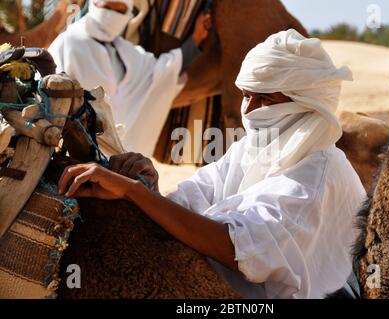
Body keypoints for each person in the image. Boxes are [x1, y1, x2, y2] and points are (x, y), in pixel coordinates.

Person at [58, 29, 366, 299]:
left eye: (266, 100)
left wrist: (136, 193)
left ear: (306, 103)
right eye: (247, 96)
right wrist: (146, 182)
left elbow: (237, 249)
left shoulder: (315, 177)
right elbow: (192, 201)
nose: (250, 110)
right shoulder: (252, 149)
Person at [48, 0, 211, 157]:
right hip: (73, 154)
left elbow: (162, 71)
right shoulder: (68, 43)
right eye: (107, 8)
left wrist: (195, 40)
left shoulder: (125, 51)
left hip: (119, 161)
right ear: (94, 4)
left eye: (120, 11)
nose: (112, 16)